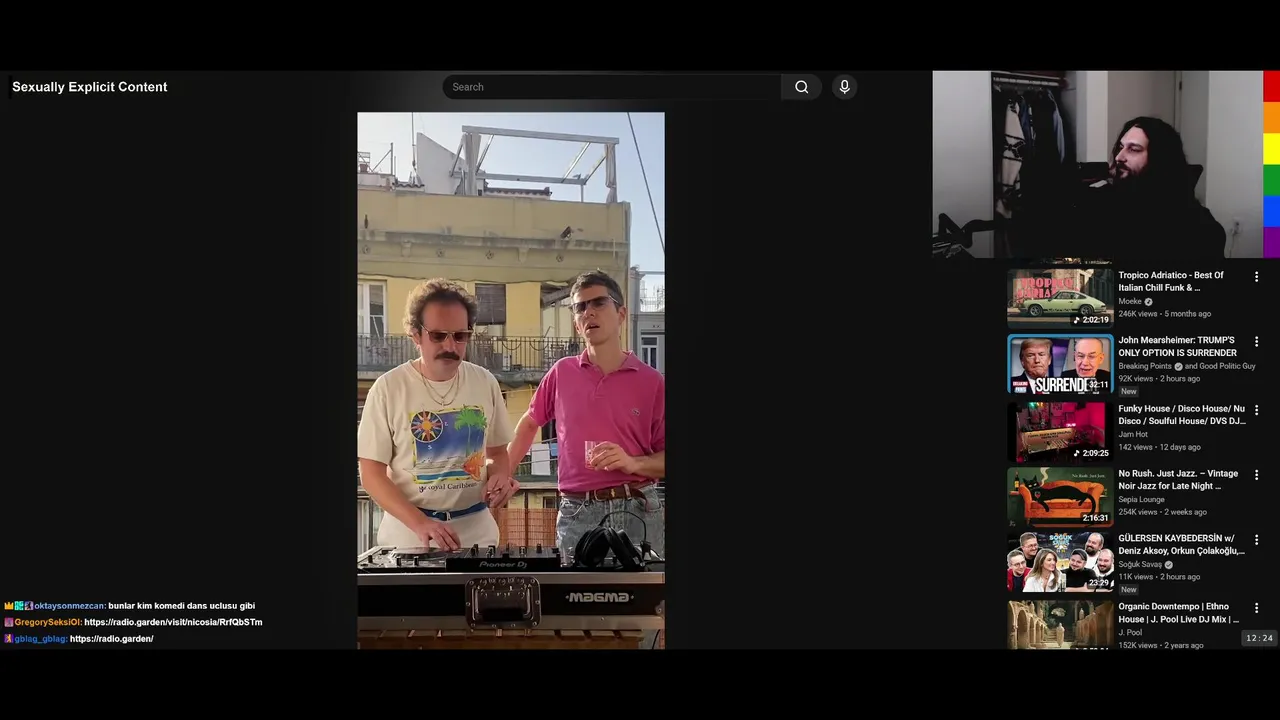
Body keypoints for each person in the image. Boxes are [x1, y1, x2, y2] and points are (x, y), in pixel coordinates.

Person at [507, 271, 666, 562]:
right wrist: (503, 475)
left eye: (599, 303)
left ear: (621, 314)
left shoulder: (653, 382)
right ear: (576, 323)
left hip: (638, 506)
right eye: (580, 307)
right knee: (576, 590)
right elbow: (529, 423)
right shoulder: (561, 373)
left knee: (642, 591)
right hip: (578, 511)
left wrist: (632, 462)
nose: (589, 312)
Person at [357, 279, 519, 551]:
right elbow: (371, 474)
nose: (450, 346)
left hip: (477, 534)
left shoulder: (485, 382)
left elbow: (498, 453)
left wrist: (500, 477)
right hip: (409, 537)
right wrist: (420, 523)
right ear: (415, 335)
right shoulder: (388, 389)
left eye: (460, 335)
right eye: (438, 335)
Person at [1074, 116, 1226, 259]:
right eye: (1121, 147)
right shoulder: (1100, 201)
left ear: (1159, 159)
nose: (1119, 157)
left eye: (1134, 149)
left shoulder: (1199, 226)